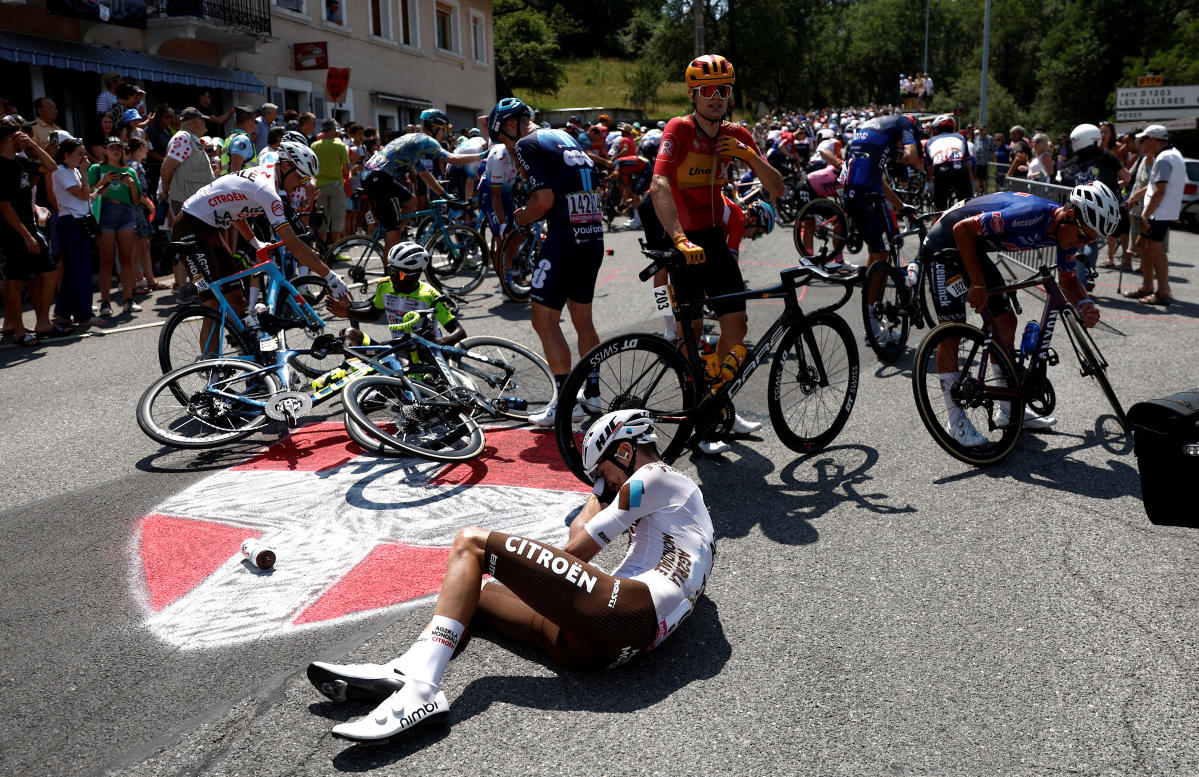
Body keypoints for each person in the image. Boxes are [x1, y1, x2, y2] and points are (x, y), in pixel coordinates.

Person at [306, 408, 715, 742]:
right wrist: (601, 487)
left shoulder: (654, 476)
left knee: (473, 544)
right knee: (478, 596)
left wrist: (596, 495)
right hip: (604, 652)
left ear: (626, 451)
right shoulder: (688, 515)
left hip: (622, 613)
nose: (605, 484)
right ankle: (408, 669)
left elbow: (576, 551)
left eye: (604, 472)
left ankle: (420, 689)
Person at [648, 54, 781, 453]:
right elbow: (659, 183)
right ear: (693, 94)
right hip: (680, 237)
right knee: (688, 335)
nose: (715, 97)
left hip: (715, 240)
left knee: (736, 327)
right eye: (706, 90)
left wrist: (748, 156)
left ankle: (718, 400)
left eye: (722, 90)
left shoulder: (737, 133)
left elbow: (778, 189)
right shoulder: (680, 129)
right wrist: (677, 238)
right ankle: (699, 417)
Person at [920, 181, 1120, 444]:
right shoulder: (1030, 214)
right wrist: (978, 285)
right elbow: (962, 228)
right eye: (1084, 236)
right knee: (951, 332)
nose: (1083, 243)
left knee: (1005, 322)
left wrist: (1085, 305)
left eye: (1091, 240)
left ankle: (1008, 409)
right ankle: (955, 420)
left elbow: (1069, 280)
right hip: (945, 242)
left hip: (974, 246)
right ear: (1070, 215)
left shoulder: (1067, 231)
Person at [489, 97, 604, 426]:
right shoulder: (564, 136)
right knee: (582, 319)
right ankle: (592, 395)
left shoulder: (526, 143)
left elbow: (544, 199)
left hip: (565, 239)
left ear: (511, 125)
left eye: (502, 138)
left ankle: (567, 403)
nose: (506, 148)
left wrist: (521, 219)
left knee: (544, 320)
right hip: (591, 234)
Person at [171, 141, 350, 323]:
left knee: (237, 302)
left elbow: (236, 211)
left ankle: (244, 346)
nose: (302, 185)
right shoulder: (266, 190)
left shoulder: (268, 179)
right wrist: (330, 276)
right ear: (286, 166)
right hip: (189, 228)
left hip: (210, 229)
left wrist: (255, 243)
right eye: (302, 178)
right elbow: (293, 244)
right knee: (213, 306)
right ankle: (210, 353)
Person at [361, 108, 482, 258]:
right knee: (393, 231)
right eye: (443, 130)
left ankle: (398, 237)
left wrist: (443, 193)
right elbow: (452, 159)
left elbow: (424, 174)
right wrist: (481, 155)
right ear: (435, 127)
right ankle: (390, 273)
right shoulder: (426, 140)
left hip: (374, 175)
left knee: (412, 200)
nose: (445, 134)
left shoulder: (415, 140)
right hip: (378, 179)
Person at [332, 241, 465, 348]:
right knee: (348, 335)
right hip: (396, 350)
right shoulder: (384, 285)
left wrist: (439, 342)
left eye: (398, 274)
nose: (392, 277)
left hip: (424, 352)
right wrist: (347, 312)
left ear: (416, 274)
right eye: (391, 270)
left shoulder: (429, 294)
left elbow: (460, 333)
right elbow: (374, 314)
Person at [0, 119, 58, 345]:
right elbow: (4, 207)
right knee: (15, 281)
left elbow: (51, 167)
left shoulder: (21, 162)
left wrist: (34, 148)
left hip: (32, 228)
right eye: (21, 136)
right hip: (13, 233)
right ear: (11, 139)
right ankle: (19, 333)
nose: (25, 137)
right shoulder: (1, 167)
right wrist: (26, 236)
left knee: (49, 272)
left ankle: (43, 322)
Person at [842, 111, 923, 271]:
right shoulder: (905, 122)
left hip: (852, 194)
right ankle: (874, 296)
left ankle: (869, 289)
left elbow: (876, 177)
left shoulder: (871, 126)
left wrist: (900, 205)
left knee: (875, 251)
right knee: (884, 255)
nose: (898, 146)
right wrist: (904, 158)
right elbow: (911, 156)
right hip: (870, 200)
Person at [1055, 123, 1130, 289]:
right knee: (1091, 242)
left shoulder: (1069, 163)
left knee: (1072, 243)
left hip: (1075, 208)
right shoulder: (1107, 156)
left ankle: (1073, 279)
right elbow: (1127, 176)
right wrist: (1112, 189)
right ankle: (1086, 276)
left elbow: (1060, 185)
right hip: (1099, 208)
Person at [1124, 124, 1184, 306]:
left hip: (1158, 213)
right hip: (1161, 212)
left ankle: (1162, 291)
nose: (1141, 144)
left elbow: (1159, 191)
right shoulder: (1172, 155)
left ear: (1151, 140)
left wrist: (1145, 216)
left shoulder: (1164, 159)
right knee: (1144, 247)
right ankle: (1148, 286)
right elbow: (1155, 185)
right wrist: (1136, 195)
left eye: (1143, 140)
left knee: (1155, 252)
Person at [88, 137, 143, 316]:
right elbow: (87, 194)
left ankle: (128, 299)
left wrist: (133, 186)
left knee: (126, 260)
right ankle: (105, 302)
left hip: (126, 214)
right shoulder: (96, 169)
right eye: (111, 147)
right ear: (105, 150)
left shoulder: (130, 171)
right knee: (107, 261)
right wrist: (102, 182)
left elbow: (135, 201)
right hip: (105, 214)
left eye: (119, 148)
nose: (116, 151)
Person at [51, 137, 102, 328]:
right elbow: (81, 195)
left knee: (75, 270)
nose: (84, 157)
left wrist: (98, 192)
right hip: (70, 222)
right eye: (80, 154)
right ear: (67, 155)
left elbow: (85, 197)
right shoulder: (60, 171)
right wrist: (85, 172)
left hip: (78, 221)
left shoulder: (73, 170)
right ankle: (84, 314)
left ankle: (63, 312)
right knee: (81, 269)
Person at [311, 117, 350, 246]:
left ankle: (323, 250)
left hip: (319, 185)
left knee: (323, 219)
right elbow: (346, 169)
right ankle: (335, 249)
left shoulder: (314, 145)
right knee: (338, 218)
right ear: (334, 129)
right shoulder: (339, 144)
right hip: (336, 185)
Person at [924, 114, 975, 211]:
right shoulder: (961, 137)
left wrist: (933, 184)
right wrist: (972, 186)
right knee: (967, 207)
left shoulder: (929, 142)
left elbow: (930, 170)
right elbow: (968, 164)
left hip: (941, 173)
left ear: (936, 130)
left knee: (939, 210)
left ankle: (938, 218)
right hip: (960, 171)